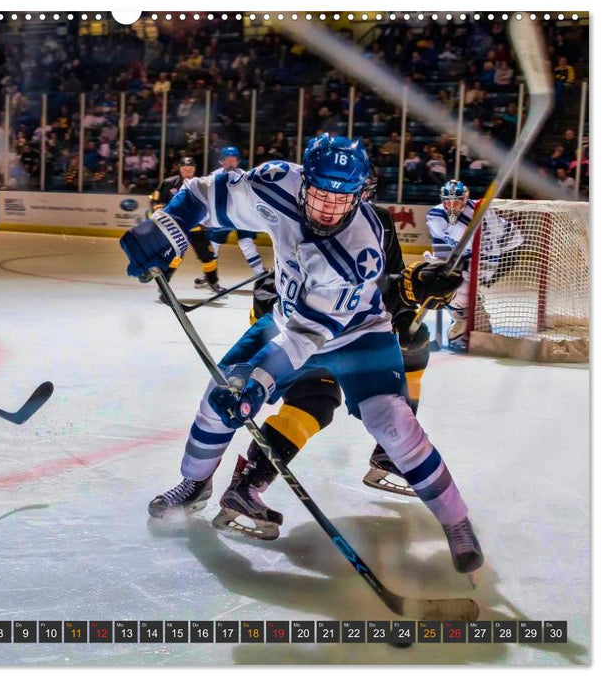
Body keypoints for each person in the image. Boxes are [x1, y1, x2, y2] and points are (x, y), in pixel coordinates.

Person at [120, 134, 483, 576]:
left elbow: (308, 336)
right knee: (218, 397)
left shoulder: (359, 249)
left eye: (342, 198)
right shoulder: (276, 183)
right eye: (320, 194)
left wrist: (258, 384)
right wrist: (166, 229)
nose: (329, 209)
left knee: (392, 421)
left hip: (355, 334)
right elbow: (205, 193)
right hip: (286, 316)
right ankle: (195, 484)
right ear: (303, 181)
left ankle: (456, 521)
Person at [205, 169, 460, 540]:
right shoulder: (306, 219)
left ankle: (389, 452)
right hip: (296, 325)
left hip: (346, 330)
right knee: (315, 399)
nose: (339, 205)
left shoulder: (379, 224)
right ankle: (246, 485)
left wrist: (424, 288)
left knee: (414, 343)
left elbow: (385, 286)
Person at [426, 180, 524, 351]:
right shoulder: (435, 215)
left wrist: (471, 278)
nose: (452, 206)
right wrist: (440, 265)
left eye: (456, 201)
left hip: (507, 250)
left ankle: (464, 318)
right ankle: (470, 318)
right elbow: (442, 246)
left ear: (464, 199)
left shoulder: (480, 215)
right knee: (447, 281)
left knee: (460, 287)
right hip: (470, 253)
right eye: (447, 201)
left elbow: (490, 254)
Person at [149, 156, 225, 294]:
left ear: (195, 169)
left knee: (208, 256)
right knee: (174, 258)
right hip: (176, 230)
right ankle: (163, 288)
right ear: (180, 169)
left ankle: (214, 284)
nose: (188, 172)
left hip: (197, 228)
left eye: (190, 169)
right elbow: (156, 202)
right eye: (185, 169)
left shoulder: (202, 184)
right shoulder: (168, 183)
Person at [207, 146, 266, 278]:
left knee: (246, 243)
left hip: (242, 215)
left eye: (233, 159)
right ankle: (209, 275)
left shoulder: (245, 175)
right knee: (213, 244)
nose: (231, 162)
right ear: (222, 161)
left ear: (237, 161)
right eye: (228, 159)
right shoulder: (214, 176)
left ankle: (260, 274)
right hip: (222, 214)